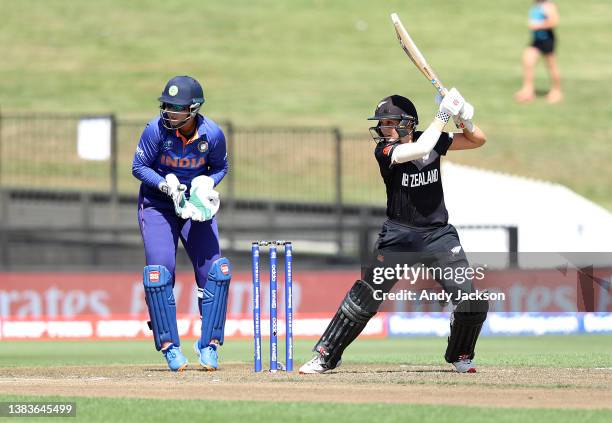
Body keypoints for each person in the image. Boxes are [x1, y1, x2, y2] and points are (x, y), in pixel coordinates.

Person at [299, 89, 489, 374]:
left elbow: (478, 141)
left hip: (439, 235)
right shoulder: (385, 150)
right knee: (365, 297)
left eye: (389, 123)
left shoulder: (434, 138)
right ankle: (328, 355)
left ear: (407, 123)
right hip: (399, 237)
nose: (383, 128)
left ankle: (461, 354)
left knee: (470, 299)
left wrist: (465, 119)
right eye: (382, 123)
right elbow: (421, 149)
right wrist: (444, 114)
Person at [132, 75, 231, 372]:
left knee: (216, 271)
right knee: (159, 274)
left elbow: (221, 166)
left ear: (194, 109)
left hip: (195, 205)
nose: (169, 113)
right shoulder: (155, 131)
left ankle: (210, 345)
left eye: (177, 108)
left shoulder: (212, 134)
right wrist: (165, 186)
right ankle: (169, 347)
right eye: (167, 106)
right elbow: (138, 167)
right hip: (159, 204)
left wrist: (206, 185)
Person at [515, 0, 562, 103]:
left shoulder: (548, 6)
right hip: (537, 40)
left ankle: (556, 91)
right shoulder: (536, 4)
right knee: (527, 61)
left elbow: (554, 21)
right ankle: (528, 90)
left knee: (551, 65)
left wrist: (538, 25)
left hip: (547, 39)